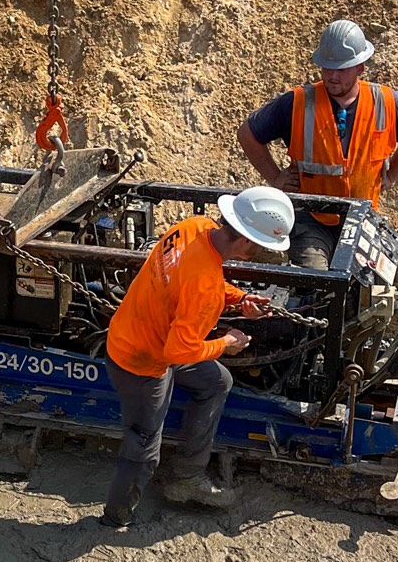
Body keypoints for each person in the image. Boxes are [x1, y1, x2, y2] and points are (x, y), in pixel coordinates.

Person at [99, 185, 294, 528]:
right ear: (246, 240)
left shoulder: (194, 227)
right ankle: (116, 516)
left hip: (133, 330)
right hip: (144, 361)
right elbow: (177, 351)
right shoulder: (203, 288)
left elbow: (190, 282)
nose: (259, 254)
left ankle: (188, 472)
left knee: (217, 380)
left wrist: (238, 298)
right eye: (261, 247)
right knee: (144, 444)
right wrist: (226, 343)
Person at [237, 19, 398, 271]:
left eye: (341, 69)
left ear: (360, 67)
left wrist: (392, 174)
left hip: (360, 219)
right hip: (311, 218)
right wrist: (275, 177)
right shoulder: (298, 102)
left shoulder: (386, 102)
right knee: (315, 280)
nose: (332, 76)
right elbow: (247, 134)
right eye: (326, 68)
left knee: (358, 286)